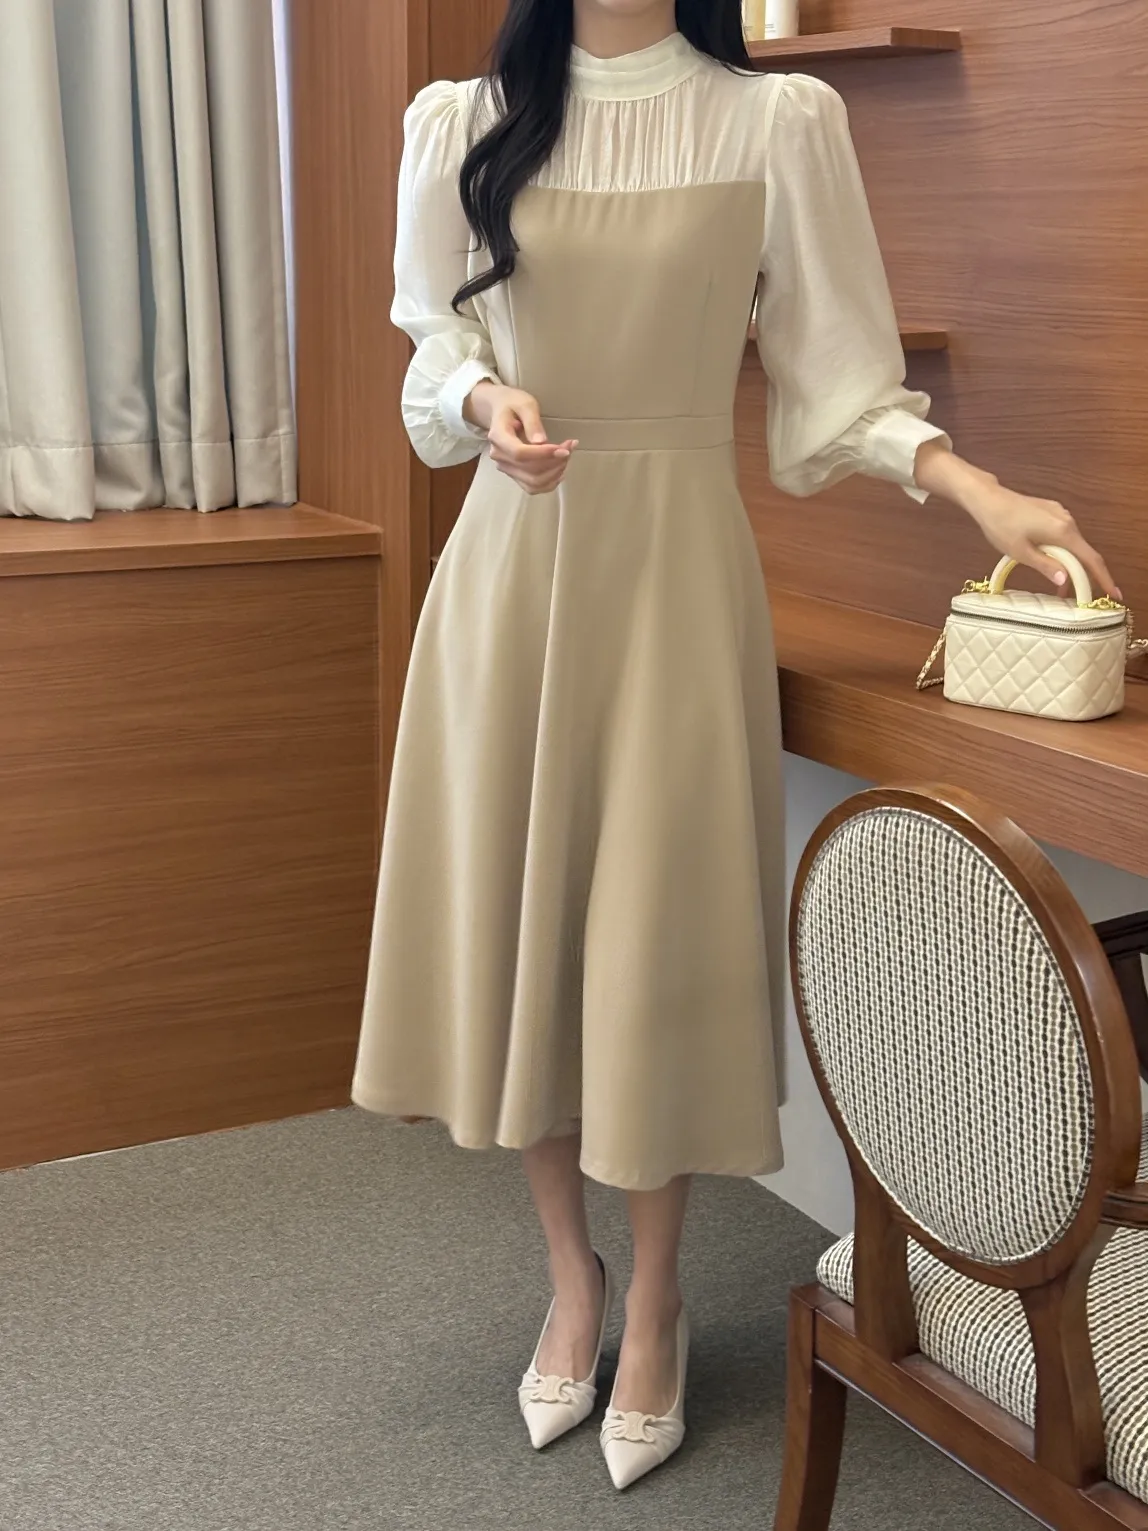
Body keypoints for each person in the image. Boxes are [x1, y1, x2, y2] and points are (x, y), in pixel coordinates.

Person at [352, 0, 1117, 1491]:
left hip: (674, 574)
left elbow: (840, 383)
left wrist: (980, 491)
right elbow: (430, 351)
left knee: (656, 942)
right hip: (510, 571)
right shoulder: (462, 121)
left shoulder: (778, 122)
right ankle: (569, 1277)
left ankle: (655, 1298)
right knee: (526, 932)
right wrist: (484, 398)